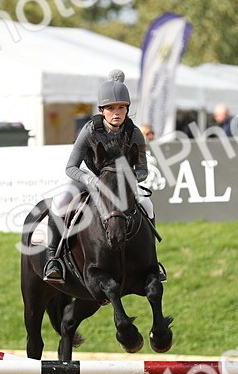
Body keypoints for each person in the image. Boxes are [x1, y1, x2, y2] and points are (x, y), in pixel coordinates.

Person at [43, 70, 164, 284]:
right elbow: (71, 167)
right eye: (110, 108)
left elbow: (142, 170)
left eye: (121, 107)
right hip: (88, 175)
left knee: (147, 204)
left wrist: (129, 178)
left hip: (119, 181)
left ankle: (153, 262)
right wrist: (89, 180)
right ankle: (53, 258)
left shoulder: (134, 133)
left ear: (127, 108)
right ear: (102, 110)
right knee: (61, 201)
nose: (116, 113)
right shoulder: (90, 131)